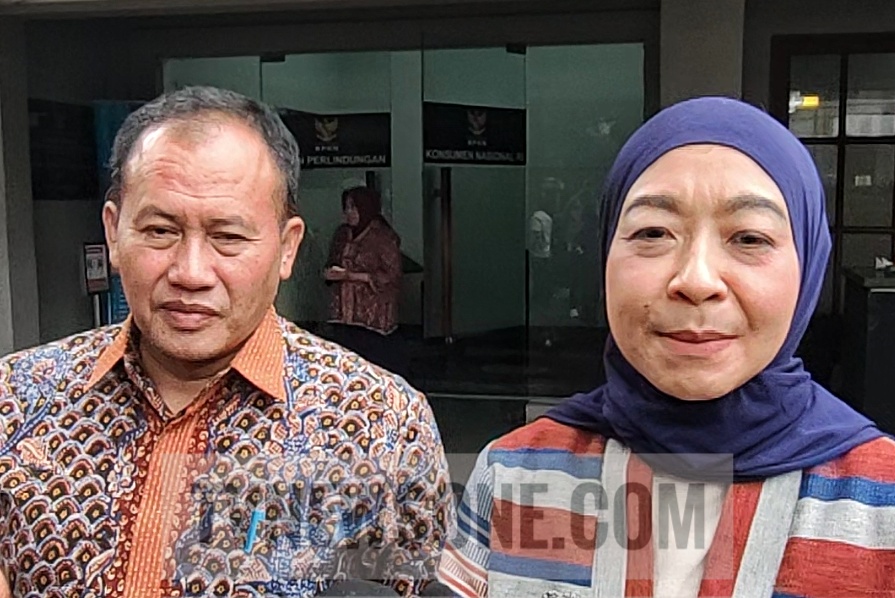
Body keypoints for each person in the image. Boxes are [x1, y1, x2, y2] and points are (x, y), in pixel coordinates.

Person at [0, 86, 452, 597]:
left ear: (287, 248)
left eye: (229, 237)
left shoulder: (383, 425)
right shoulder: (16, 400)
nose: (191, 273)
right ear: (113, 234)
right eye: (160, 231)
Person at [438, 97, 895, 597]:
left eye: (748, 238)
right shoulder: (515, 475)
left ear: (809, 264)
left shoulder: (883, 503)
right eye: (654, 232)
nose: (696, 280)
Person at [324, 186, 406, 376]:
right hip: (343, 316)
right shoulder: (342, 234)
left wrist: (352, 276)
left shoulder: (383, 237)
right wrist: (330, 274)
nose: (348, 212)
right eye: (346, 207)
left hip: (372, 319)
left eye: (353, 207)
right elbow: (332, 261)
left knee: (373, 367)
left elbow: (392, 275)